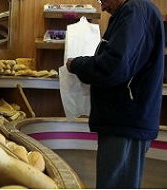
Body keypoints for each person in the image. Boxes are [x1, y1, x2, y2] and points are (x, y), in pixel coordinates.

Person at [66, 0, 165, 188]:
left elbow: (112, 68)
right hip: (124, 121)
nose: (102, 7)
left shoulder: (135, 10)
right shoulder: (134, 11)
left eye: (103, 0)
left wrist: (77, 65)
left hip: (126, 122)